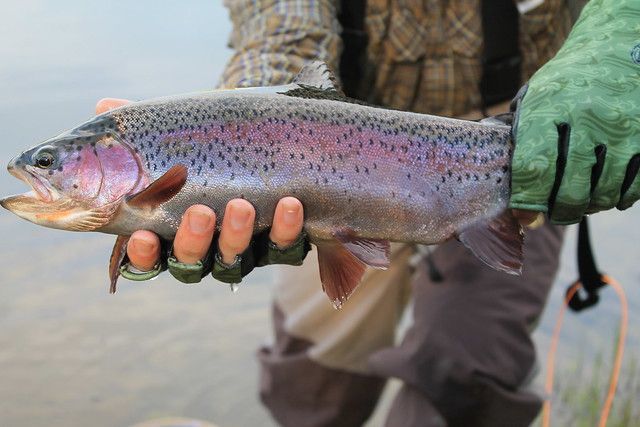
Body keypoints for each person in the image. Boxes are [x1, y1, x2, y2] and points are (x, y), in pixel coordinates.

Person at [103, 0, 640, 425]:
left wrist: (621, 48)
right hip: (322, 145)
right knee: (315, 372)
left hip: (521, 140)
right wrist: (248, 117)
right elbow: (283, 19)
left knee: (471, 377)